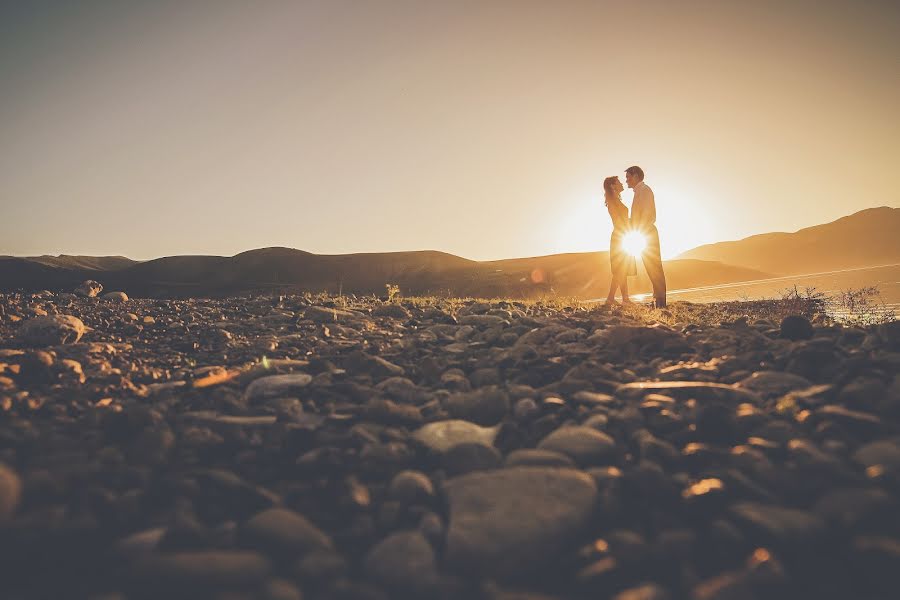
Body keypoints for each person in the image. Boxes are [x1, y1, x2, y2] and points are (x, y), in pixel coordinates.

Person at [625, 165, 667, 308]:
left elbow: (649, 214)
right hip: (642, 232)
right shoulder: (638, 192)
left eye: (628, 177)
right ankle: (658, 300)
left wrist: (639, 228)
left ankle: (661, 302)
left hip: (647, 232)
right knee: (650, 267)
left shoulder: (645, 190)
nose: (626, 181)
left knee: (654, 266)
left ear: (636, 175)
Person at [603, 175, 636, 305]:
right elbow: (618, 220)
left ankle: (622, 299)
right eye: (619, 182)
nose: (622, 184)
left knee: (622, 269)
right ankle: (612, 298)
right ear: (612, 186)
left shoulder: (616, 200)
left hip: (623, 234)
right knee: (620, 269)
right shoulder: (613, 202)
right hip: (620, 236)